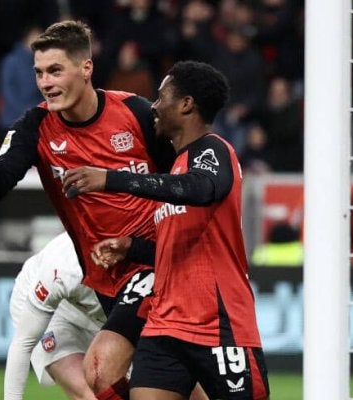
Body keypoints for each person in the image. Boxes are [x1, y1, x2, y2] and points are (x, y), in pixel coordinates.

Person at [0, 20, 177, 400]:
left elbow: (179, 183)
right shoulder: (35, 126)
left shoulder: (135, 113)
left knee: (126, 377)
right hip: (106, 279)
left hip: (158, 266)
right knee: (126, 384)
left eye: (55, 70)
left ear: (86, 68)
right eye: (39, 72)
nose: (45, 82)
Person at [63, 61, 270, 399]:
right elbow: (179, 249)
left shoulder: (213, 149)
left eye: (161, 98)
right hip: (164, 326)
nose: (154, 106)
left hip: (217, 324)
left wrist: (111, 179)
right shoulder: (174, 169)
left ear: (186, 104)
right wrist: (131, 247)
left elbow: (201, 189)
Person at [6, 232, 105, 400]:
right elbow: (23, 343)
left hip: (99, 319)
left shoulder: (143, 262)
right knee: (91, 395)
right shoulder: (62, 269)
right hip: (53, 311)